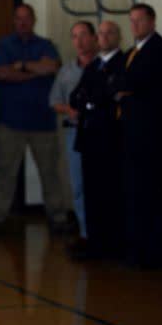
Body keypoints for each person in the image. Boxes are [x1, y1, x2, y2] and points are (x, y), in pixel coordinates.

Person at [0, 3, 67, 234]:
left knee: (50, 172)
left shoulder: (46, 45)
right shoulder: (2, 45)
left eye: (26, 18)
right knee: (4, 172)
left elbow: (51, 68)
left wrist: (20, 67)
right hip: (10, 122)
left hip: (43, 121)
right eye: (18, 18)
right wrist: (34, 71)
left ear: (34, 20)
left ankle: (58, 217)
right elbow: (2, 72)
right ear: (13, 20)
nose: (22, 22)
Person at [70, 20, 125, 260]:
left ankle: (112, 243)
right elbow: (76, 97)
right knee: (90, 192)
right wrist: (89, 102)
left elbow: (108, 97)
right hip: (89, 137)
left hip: (110, 139)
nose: (103, 37)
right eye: (100, 33)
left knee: (110, 192)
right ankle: (94, 241)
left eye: (108, 33)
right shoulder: (94, 66)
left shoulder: (122, 63)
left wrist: (91, 102)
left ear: (117, 37)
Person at [117, 3, 162, 268]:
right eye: (131, 21)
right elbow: (118, 83)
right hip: (132, 132)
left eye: (140, 21)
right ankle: (136, 247)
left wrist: (128, 90)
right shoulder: (132, 52)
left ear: (152, 22)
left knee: (148, 192)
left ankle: (150, 251)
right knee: (133, 191)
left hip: (148, 134)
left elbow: (134, 84)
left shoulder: (157, 51)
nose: (134, 26)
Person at [49, 20, 98, 250]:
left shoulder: (102, 65)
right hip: (74, 131)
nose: (78, 41)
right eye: (74, 36)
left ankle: (104, 233)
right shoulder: (67, 71)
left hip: (99, 133)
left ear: (94, 38)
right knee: (78, 186)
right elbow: (54, 101)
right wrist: (68, 110)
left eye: (83, 35)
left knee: (101, 184)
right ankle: (85, 233)